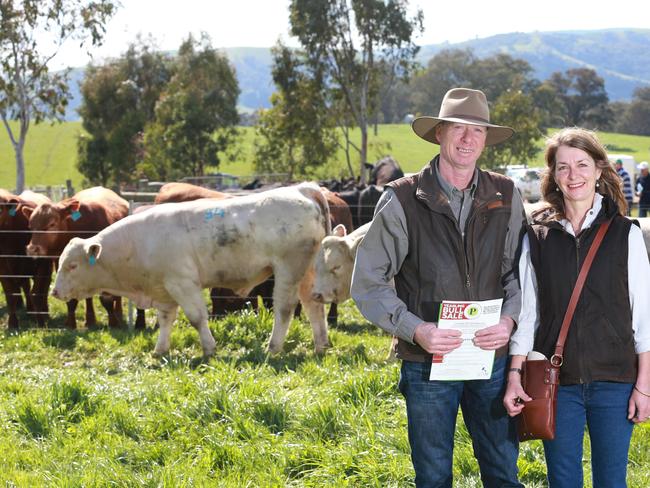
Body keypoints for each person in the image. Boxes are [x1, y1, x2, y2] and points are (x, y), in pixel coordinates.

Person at [351, 87, 526, 488]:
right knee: (432, 476)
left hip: (491, 358)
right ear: (438, 134)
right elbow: (368, 283)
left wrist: (510, 320)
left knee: (502, 470)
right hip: (427, 362)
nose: (468, 139)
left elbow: (517, 272)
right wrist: (417, 329)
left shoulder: (507, 195)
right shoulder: (402, 200)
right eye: (458, 129)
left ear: (486, 139)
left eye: (477, 130)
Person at [504, 127, 650, 487]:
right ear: (553, 174)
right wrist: (514, 374)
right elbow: (528, 314)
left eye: (582, 165)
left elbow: (644, 314)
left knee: (612, 481)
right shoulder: (537, 236)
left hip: (615, 380)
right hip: (557, 380)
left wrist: (644, 386)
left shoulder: (625, 233)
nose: (573, 176)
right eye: (563, 167)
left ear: (599, 170)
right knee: (563, 479)